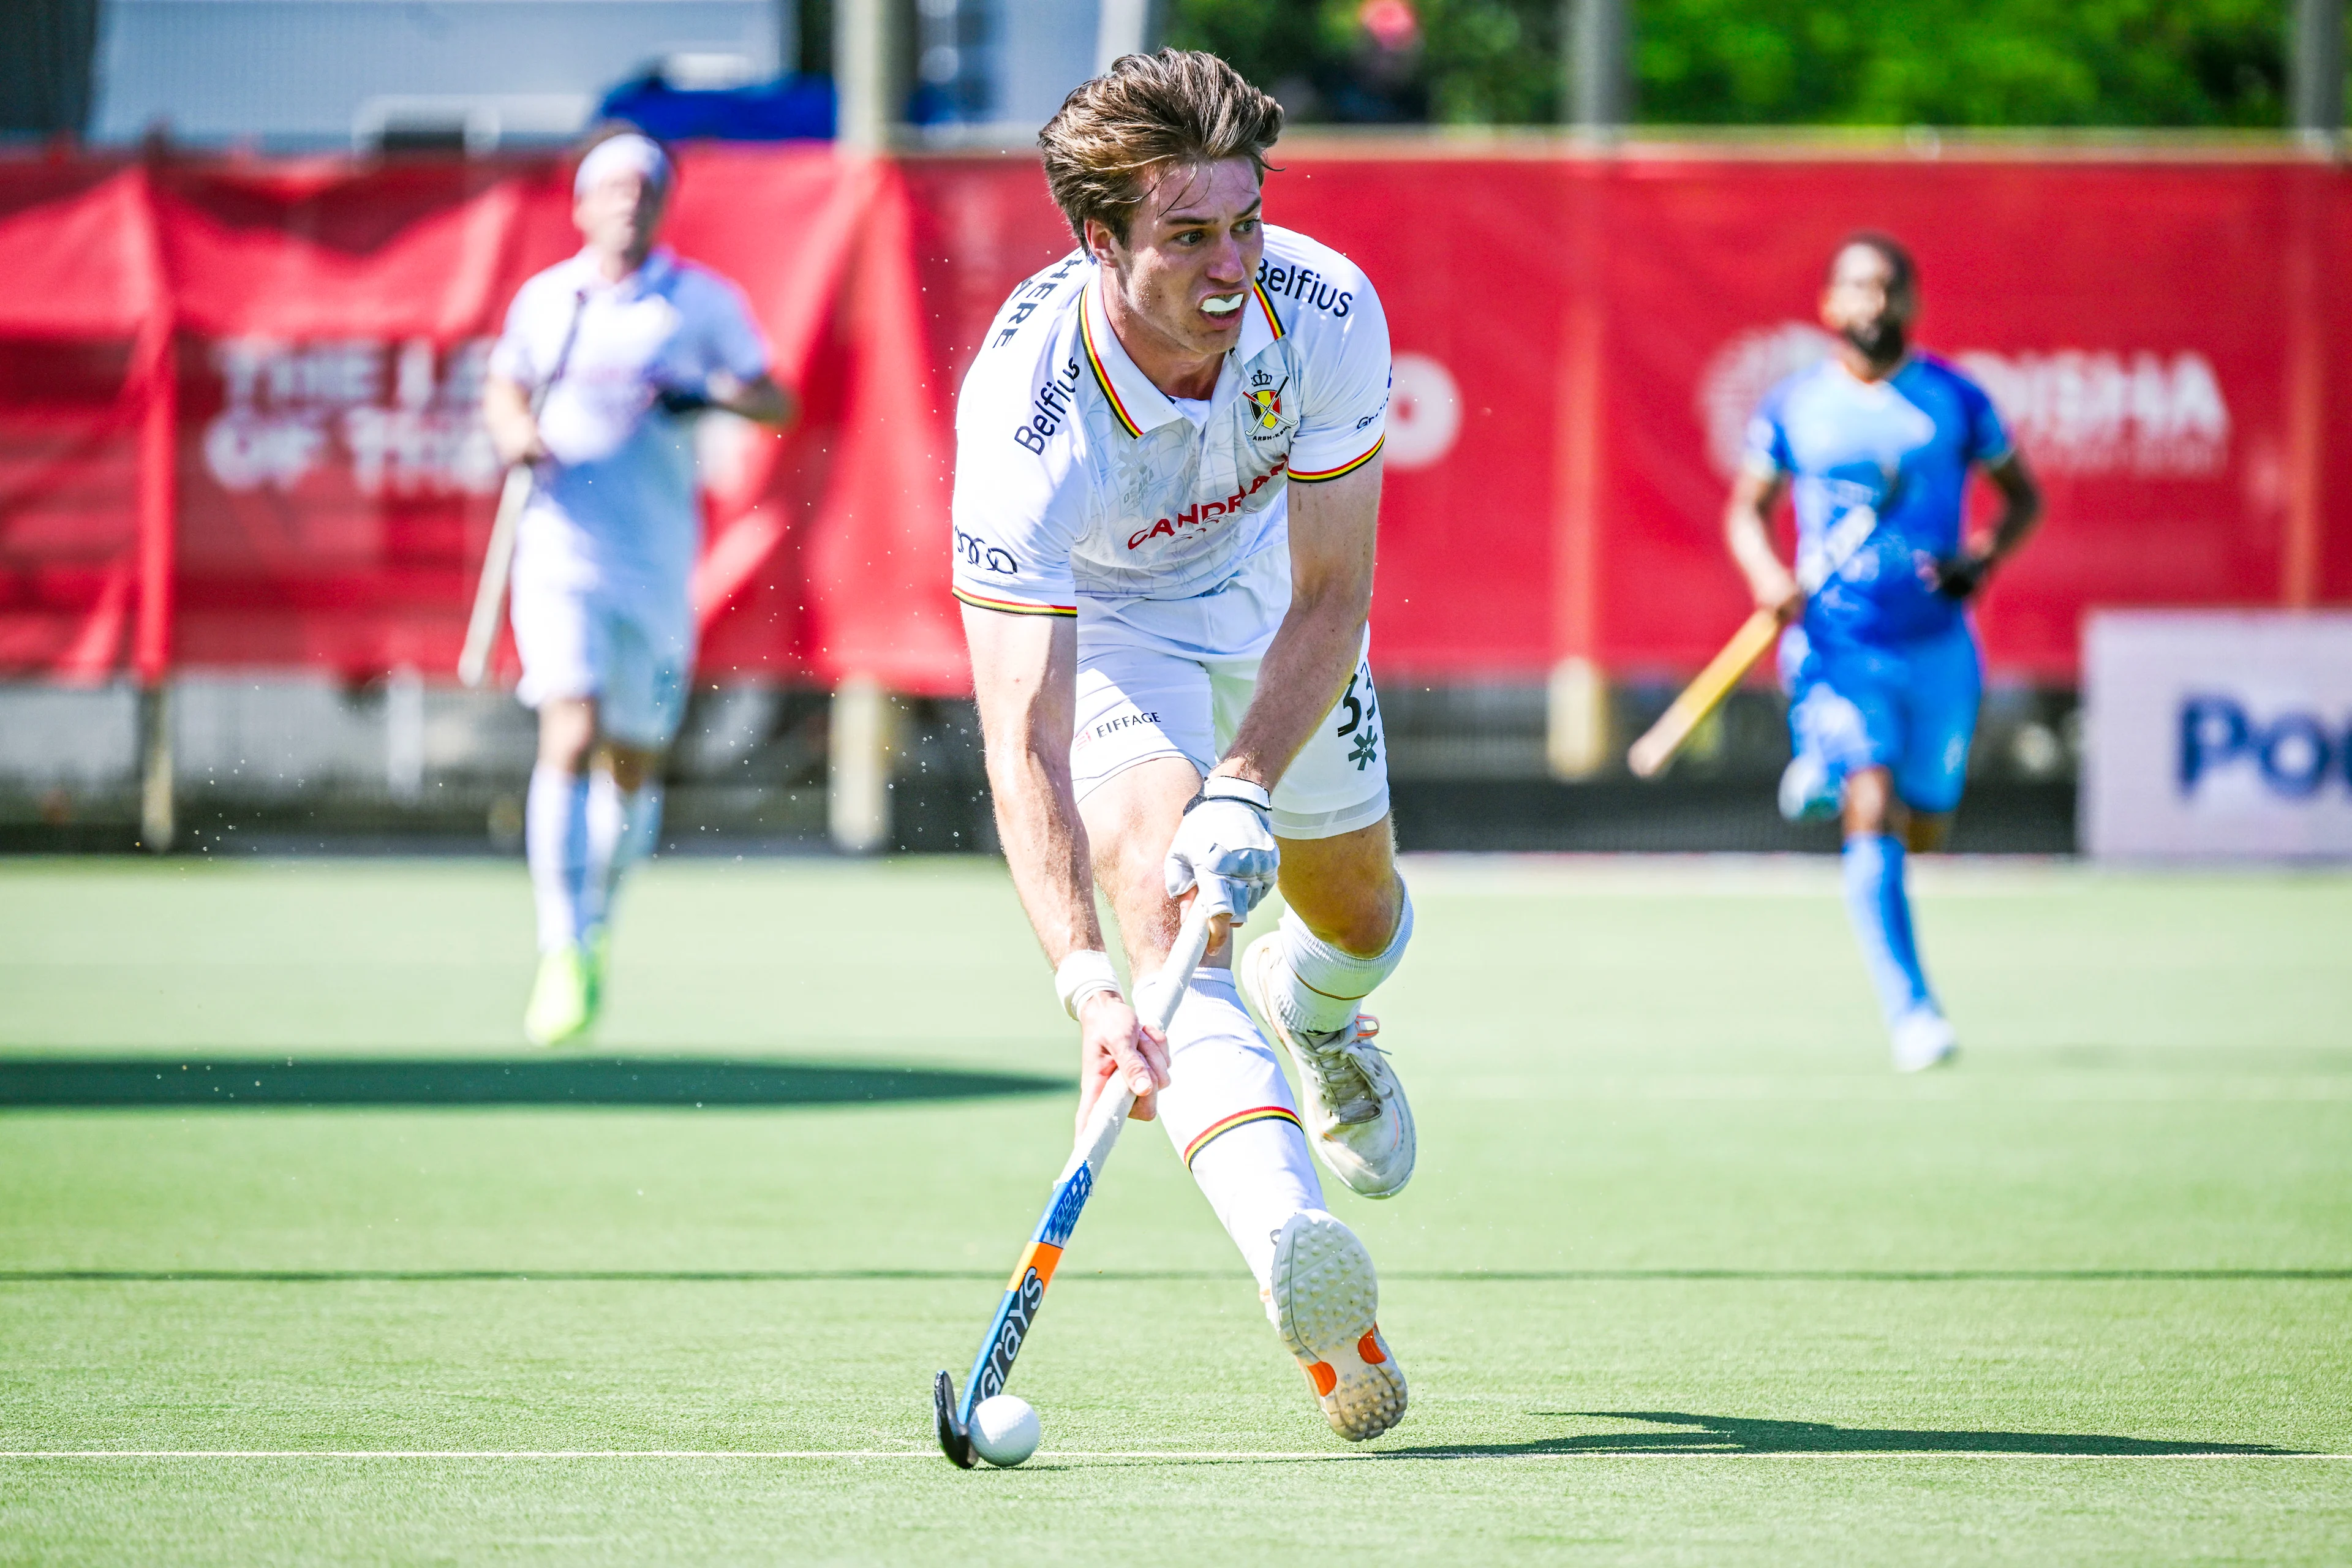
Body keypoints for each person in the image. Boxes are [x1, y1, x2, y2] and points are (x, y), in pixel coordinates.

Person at [952, 50, 1417, 1441]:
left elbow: (1338, 594)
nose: (1235, 266)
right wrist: (1088, 979)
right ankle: (1299, 1258)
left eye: (1248, 221)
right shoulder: (1023, 435)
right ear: (1102, 242)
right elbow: (1020, 732)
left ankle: (1324, 1017)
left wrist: (1244, 781)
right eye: (1190, 236)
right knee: (1164, 912)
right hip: (1116, 627)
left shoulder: (1323, 311)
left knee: (1363, 915)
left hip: (1277, 600)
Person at [482, 130, 791, 1046]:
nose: (629, 201)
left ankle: (598, 928)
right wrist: (514, 436)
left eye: (646, 188)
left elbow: (775, 399)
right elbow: (506, 387)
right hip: (558, 555)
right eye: (612, 188)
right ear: (580, 206)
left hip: (656, 566)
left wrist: (711, 393)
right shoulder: (549, 301)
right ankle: (559, 945)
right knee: (568, 732)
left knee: (631, 761)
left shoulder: (699, 302)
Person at [1725, 233, 2043, 1072]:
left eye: (1889, 288)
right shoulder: (1794, 405)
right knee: (1873, 808)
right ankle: (1913, 1013)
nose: (1874, 303)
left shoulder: (1955, 399)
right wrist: (1767, 575)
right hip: (1838, 644)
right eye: (1858, 289)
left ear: (1912, 303)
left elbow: (2023, 500)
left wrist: (1980, 559)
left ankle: (1825, 768)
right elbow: (1746, 512)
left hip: (1938, 649)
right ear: (1829, 305)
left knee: (1924, 827)